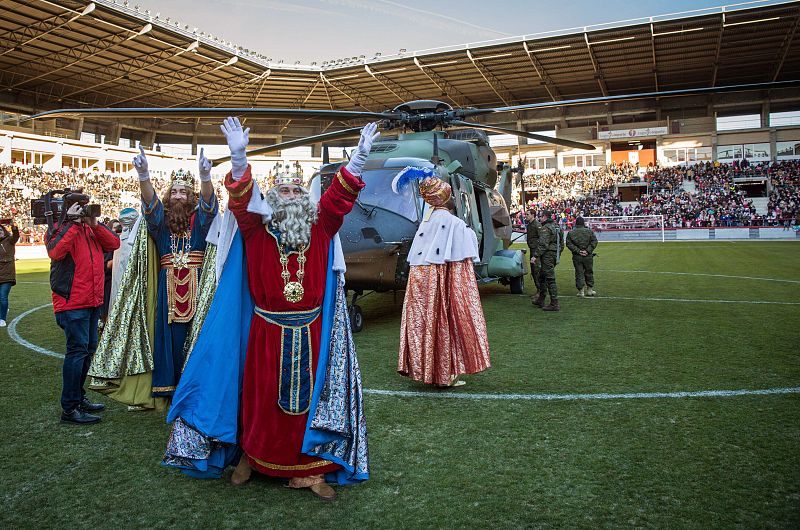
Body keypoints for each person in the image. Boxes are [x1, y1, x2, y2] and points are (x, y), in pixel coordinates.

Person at [218, 117, 373, 499]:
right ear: (271, 197)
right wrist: (239, 159)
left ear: (305, 197)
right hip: (267, 330)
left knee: (310, 404)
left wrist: (358, 161)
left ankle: (310, 471)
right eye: (282, 189)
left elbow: (339, 199)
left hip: (312, 331)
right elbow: (240, 198)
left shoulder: (321, 226)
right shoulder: (255, 228)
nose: (289, 194)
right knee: (259, 397)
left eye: (295, 189)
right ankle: (252, 456)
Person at [133, 146, 219, 397]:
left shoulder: (200, 222)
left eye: (184, 192)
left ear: (191, 196)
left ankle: (196, 386)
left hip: (199, 287)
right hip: (167, 291)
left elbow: (209, 206)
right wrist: (144, 175)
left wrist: (205, 178)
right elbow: (150, 204)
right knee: (169, 339)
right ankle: (170, 387)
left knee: (198, 336)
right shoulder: (160, 224)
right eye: (174, 192)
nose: (179, 196)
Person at [395, 169, 491, 387]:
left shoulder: (425, 223)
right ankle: (445, 374)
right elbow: (465, 256)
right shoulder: (454, 223)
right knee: (446, 319)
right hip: (443, 276)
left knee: (427, 321)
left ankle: (430, 369)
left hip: (420, 280)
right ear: (446, 197)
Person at [46, 194, 120, 424]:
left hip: (91, 301)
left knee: (87, 351)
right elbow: (55, 252)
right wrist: (70, 223)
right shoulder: (57, 229)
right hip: (72, 303)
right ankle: (69, 408)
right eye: (81, 208)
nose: (85, 211)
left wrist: (94, 225)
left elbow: (114, 244)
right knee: (77, 352)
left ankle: (78, 398)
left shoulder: (89, 229)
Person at [532, 209, 563, 312]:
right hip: (553, 255)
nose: (539, 218)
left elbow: (543, 244)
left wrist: (535, 256)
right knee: (542, 276)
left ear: (545, 217)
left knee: (550, 279)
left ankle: (554, 303)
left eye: (540, 216)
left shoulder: (546, 228)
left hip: (547, 256)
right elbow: (561, 244)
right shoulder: (557, 227)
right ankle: (541, 299)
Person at [565, 216, 598, 297]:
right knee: (589, 272)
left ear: (576, 223)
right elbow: (594, 241)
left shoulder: (571, 233)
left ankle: (581, 291)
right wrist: (587, 251)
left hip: (577, 256)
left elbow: (569, 244)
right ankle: (589, 290)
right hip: (588, 256)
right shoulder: (589, 231)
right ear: (583, 223)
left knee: (579, 273)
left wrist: (578, 251)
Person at [0, 219, 20, 327]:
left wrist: (14, 227)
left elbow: (16, 236)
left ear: (4, 231)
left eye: (0, 230)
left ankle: (2, 318)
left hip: (7, 275)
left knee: (3, 297)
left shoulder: (9, 240)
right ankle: (3, 309)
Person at [524, 208, 542, 299]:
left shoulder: (537, 225)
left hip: (536, 251)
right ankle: (538, 290)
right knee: (534, 271)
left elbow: (542, 238)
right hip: (532, 249)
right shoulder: (530, 225)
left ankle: (540, 292)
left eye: (527, 214)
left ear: (533, 215)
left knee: (537, 271)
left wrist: (537, 252)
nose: (526, 216)